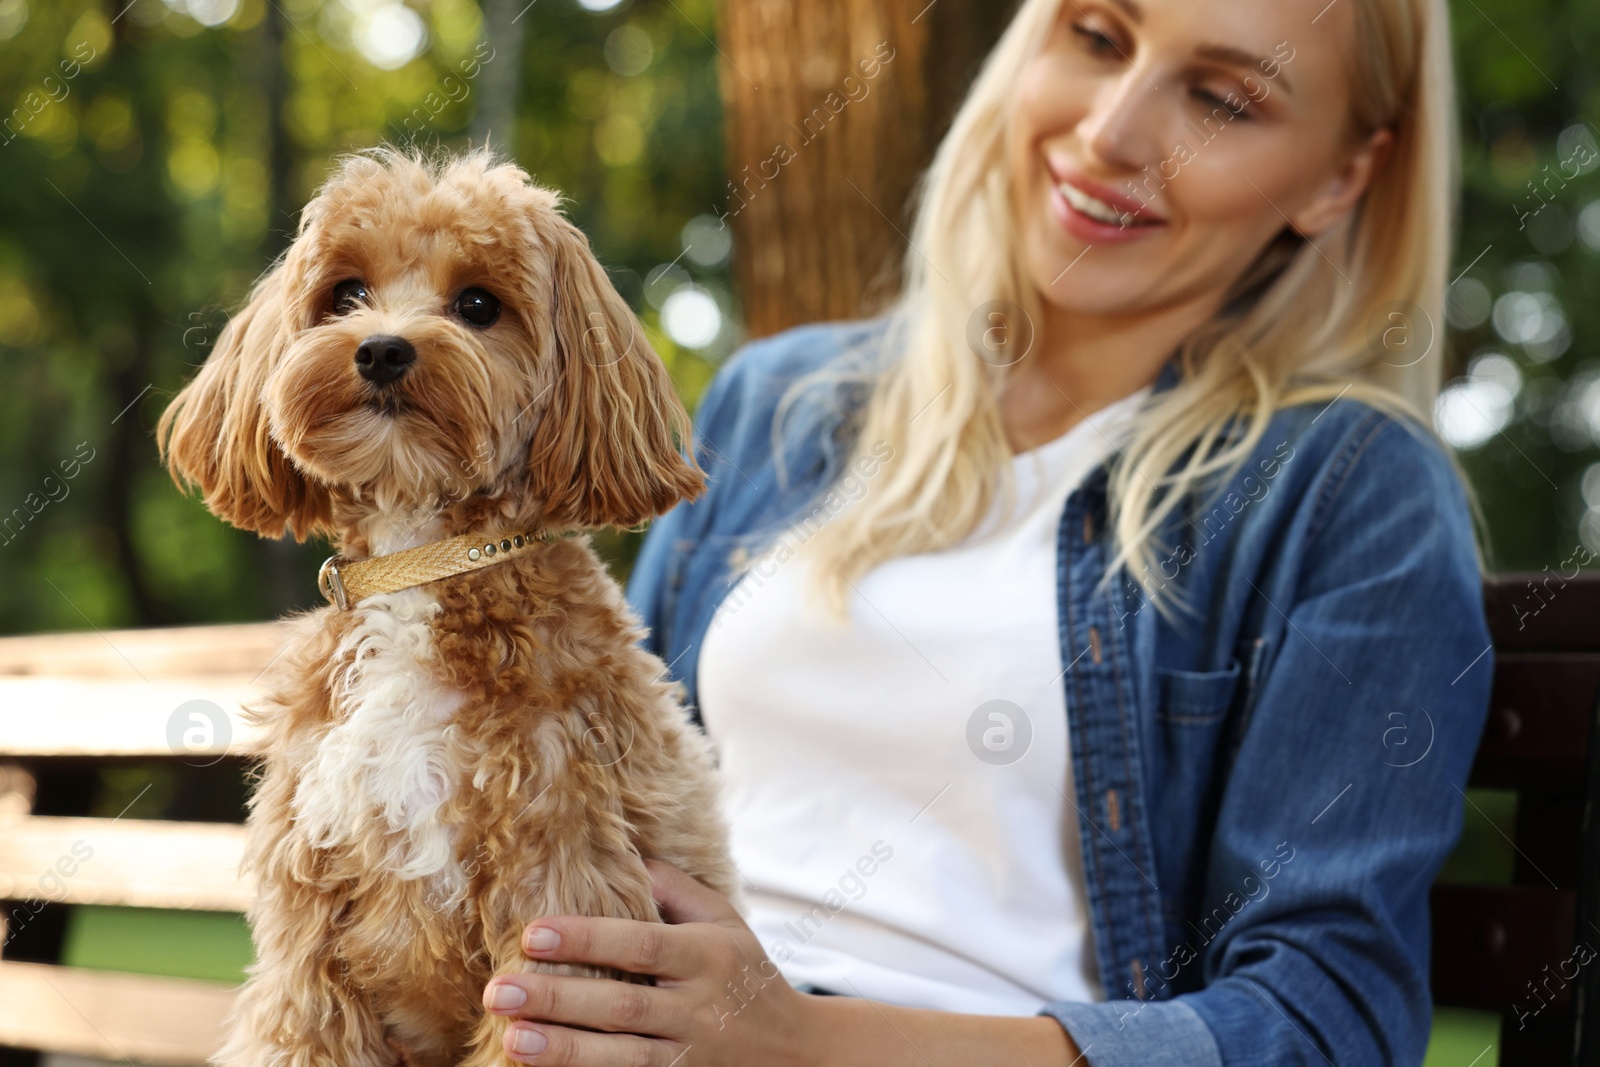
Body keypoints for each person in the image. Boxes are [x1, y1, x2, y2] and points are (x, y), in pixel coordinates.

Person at [479, 0, 1492, 1062]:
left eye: (1224, 99)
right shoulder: (781, 402)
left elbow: (1328, 1018)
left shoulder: (1341, 492)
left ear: (1340, 177)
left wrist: (805, 1040)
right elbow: (585, 778)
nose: (1112, 132)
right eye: (1097, 37)